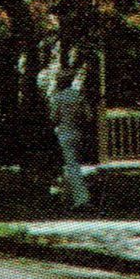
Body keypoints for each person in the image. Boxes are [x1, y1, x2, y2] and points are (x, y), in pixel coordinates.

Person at [45, 55, 93, 211]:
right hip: (78, 132)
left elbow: (53, 117)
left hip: (64, 133)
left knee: (71, 166)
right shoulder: (78, 96)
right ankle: (67, 197)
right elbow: (88, 116)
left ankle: (82, 199)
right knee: (71, 165)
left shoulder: (57, 97)